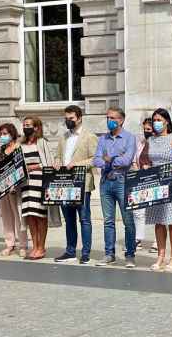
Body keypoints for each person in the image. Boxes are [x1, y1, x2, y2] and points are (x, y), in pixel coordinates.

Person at [92, 107, 137, 267]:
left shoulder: (129, 138)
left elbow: (127, 160)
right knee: (108, 220)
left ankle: (130, 254)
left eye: (113, 118)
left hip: (122, 182)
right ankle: (109, 253)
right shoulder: (103, 139)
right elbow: (96, 160)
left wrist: (109, 159)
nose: (109, 121)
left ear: (121, 120)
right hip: (105, 183)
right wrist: (114, 159)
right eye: (108, 117)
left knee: (128, 220)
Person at [54, 105, 98, 264]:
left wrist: (77, 164)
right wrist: (57, 161)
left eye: (71, 118)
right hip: (64, 183)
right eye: (66, 118)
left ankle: (85, 253)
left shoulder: (89, 136)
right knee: (69, 219)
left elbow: (95, 159)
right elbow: (57, 155)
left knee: (84, 219)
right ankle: (70, 251)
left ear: (79, 118)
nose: (68, 121)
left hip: (82, 182)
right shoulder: (63, 137)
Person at [145, 108, 172, 272]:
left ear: (166, 122)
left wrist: (167, 170)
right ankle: (161, 256)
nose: (156, 122)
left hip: (171, 181)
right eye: (154, 119)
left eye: (159, 119)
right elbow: (149, 160)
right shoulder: (151, 140)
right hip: (155, 183)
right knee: (158, 221)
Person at [20, 116, 55, 260]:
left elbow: (49, 163)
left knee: (40, 216)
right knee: (30, 216)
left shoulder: (42, 142)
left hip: (39, 183)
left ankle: (41, 247)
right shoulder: (21, 144)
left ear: (36, 127)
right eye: (24, 124)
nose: (25, 127)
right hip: (26, 184)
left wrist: (33, 166)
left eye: (28, 124)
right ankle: (34, 246)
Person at [0, 123, 28, 258]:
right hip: (3, 188)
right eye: (1, 134)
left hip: (17, 188)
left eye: (5, 134)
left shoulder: (18, 148)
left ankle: (23, 245)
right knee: (6, 217)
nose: (2, 136)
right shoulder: (2, 149)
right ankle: (10, 244)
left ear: (12, 134)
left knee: (19, 217)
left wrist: (14, 185)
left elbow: (21, 167)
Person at [132, 118, 153, 251]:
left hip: (154, 180)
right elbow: (134, 158)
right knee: (138, 211)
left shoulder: (159, 143)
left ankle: (158, 242)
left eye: (149, 130)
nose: (146, 132)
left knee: (156, 211)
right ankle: (137, 239)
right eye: (145, 129)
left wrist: (150, 168)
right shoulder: (140, 142)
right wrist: (135, 167)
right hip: (140, 179)